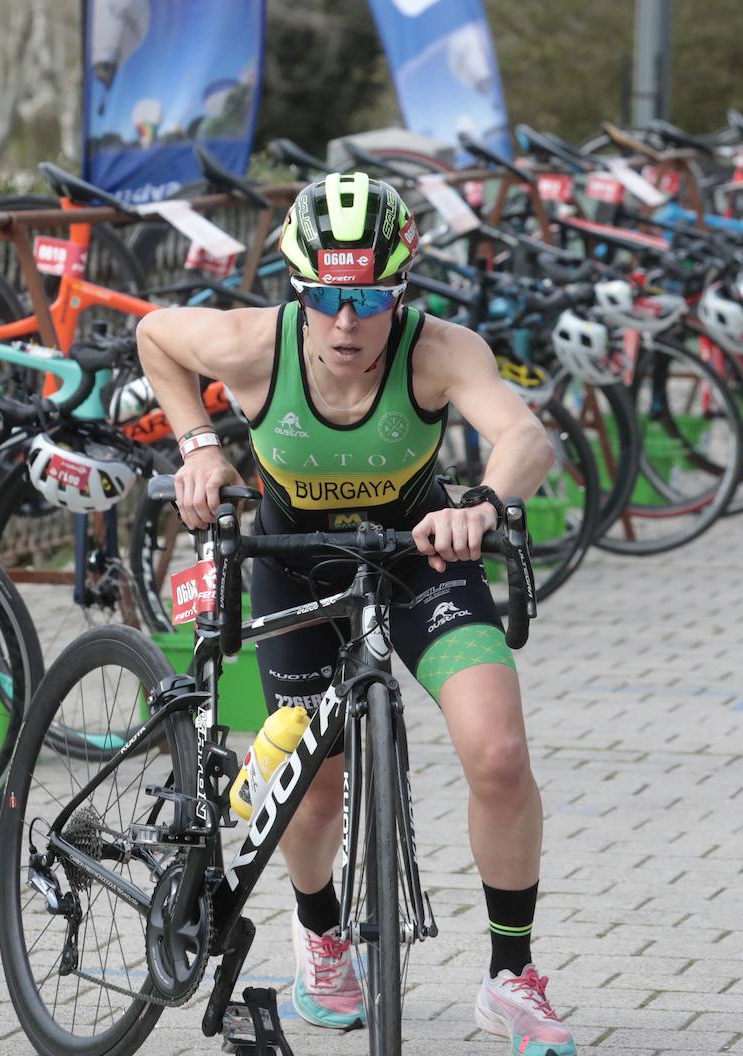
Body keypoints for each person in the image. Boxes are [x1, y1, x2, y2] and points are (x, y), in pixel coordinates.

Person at [136, 172, 575, 1056]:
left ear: (400, 290)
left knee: (498, 751)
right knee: (315, 775)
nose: (347, 322)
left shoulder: (437, 349)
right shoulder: (256, 344)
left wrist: (482, 505)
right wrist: (198, 447)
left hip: (419, 558)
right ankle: (322, 937)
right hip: (294, 567)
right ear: (301, 289)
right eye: (329, 296)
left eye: (369, 297)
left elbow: (527, 436)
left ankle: (510, 978)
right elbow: (154, 335)